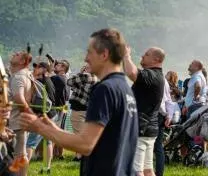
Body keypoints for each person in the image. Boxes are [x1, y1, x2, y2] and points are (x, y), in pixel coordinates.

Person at [21, 28, 139, 176]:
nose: (86, 59)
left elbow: (85, 144)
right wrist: (53, 128)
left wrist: (40, 128)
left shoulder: (104, 89)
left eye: (89, 52)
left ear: (104, 55)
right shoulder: (125, 88)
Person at [123, 47, 166, 176]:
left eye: (146, 54)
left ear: (156, 59)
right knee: (148, 170)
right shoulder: (157, 75)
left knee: (137, 171)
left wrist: (126, 56)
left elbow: (132, 73)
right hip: (149, 128)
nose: (142, 56)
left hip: (141, 129)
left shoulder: (151, 75)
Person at [9, 50, 33, 176]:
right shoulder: (26, 75)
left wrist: (27, 115)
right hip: (19, 122)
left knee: (19, 156)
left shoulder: (18, 76)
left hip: (16, 124)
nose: (14, 54)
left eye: (17, 54)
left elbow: (19, 99)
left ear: (23, 61)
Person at [66, 63, 97, 162]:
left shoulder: (85, 76)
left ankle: (79, 157)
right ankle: (80, 155)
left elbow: (69, 82)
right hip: (88, 109)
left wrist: (80, 72)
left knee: (78, 134)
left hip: (78, 109)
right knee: (83, 133)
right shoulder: (96, 78)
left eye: (86, 66)